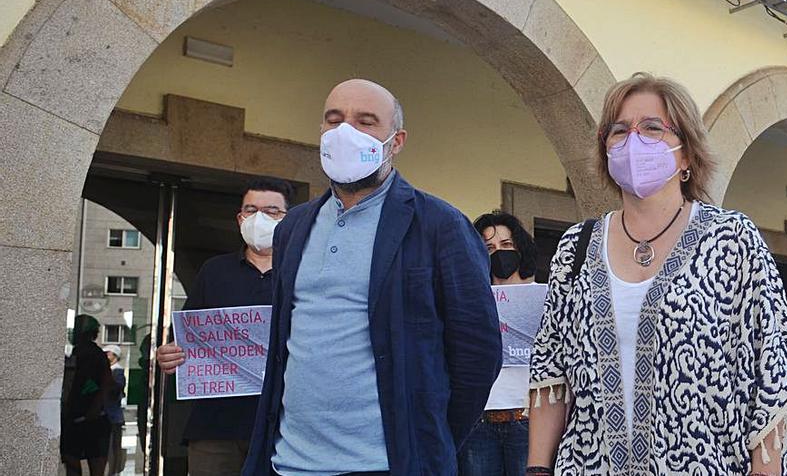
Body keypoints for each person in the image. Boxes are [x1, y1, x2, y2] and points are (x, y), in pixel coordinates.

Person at [159, 79, 502, 475]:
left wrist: (429, 441)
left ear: (397, 140)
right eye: (334, 119)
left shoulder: (439, 225)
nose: (346, 133)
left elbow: (477, 355)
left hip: (387, 465)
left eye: (366, 121)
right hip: (289, 463)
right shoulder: (294, 227)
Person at [526, 73, 787, 474]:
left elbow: (772, 372)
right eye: (619, 130)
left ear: (686, 153)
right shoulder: (576, 247)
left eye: (652, 127)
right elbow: (551, 366)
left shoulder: (731, 239)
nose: (633, 140)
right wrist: (537, 468)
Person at [154, 177, 294, 475]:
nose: (259, 218)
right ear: (239, 218)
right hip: (216, 426)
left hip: (285, 426)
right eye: (251, 209)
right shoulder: (214, 271)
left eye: (271, 211)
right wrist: (169, 355)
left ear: (289, 219)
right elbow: (186, 338)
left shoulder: (304, 274)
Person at [458, 211, 539, 476]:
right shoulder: (466, 301)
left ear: (520, 248)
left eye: (506, 245)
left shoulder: (545, 297)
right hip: (478, 423)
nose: (499, 253)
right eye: (489, 248)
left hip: (528, 419)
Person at [62, 315, 112, 476]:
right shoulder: (80, 353)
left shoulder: (93, 354)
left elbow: (106, 382)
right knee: (73, 461)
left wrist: (95, 407)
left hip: (90, 417)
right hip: (79, 416)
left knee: (87, 464)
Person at [103, 345, 127, 475]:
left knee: (113, 447)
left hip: (113, 415)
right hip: (105, 414)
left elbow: (115, 391)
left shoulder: (117, 371)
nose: (106, 356)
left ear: (115, 356)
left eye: (108, 353)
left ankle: (113, 471)